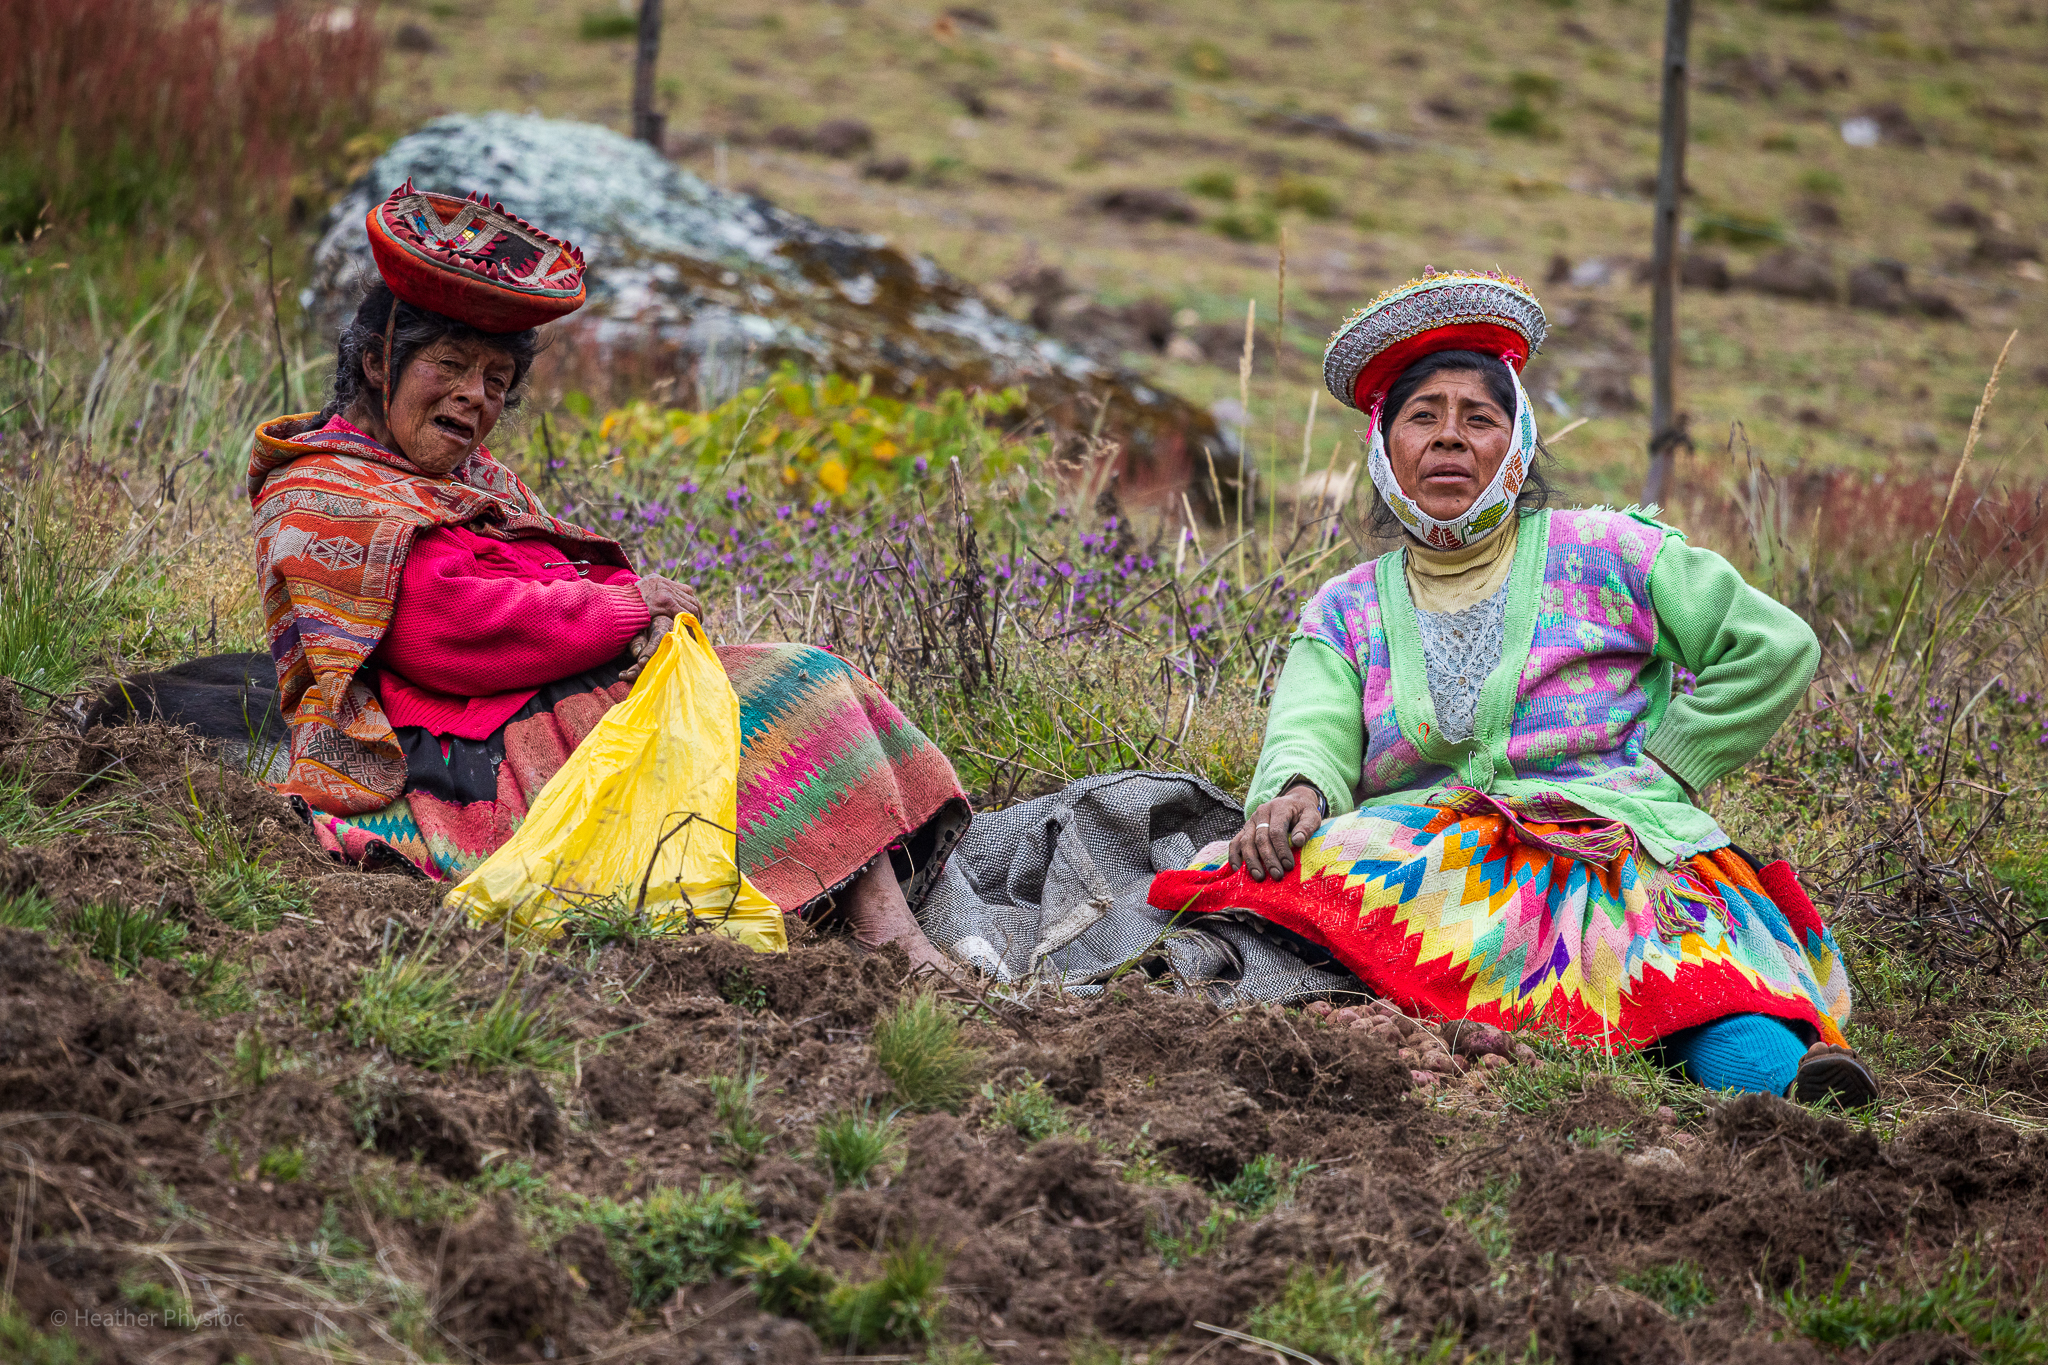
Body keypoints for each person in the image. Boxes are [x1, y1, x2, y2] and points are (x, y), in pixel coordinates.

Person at [1150, 268, 1874, 1106]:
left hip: (1615, 854)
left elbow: (1775, 643)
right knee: (1259, 875)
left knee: (1696, 978)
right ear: (1386, 449)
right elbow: (1311, 726)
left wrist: (1671, 765)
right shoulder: (1347, 607)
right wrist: (1297, 789)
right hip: (1446, 872)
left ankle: (1791, 1089)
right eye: (1423, 417)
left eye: (1478, 418)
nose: (1449, 439)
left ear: (1518, 443)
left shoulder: (1610, 552)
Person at [247, 181, 966, 970]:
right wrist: (627, 609)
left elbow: (546, 580)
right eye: (449, 365)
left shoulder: (469, 479)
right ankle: (891, 938)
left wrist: (633, 622)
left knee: (805, 688)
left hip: (531, 711)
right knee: (798, 692)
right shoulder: (325, 490)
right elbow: (444, 627)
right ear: (380, 361)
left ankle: (883, 922)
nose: (472, 398)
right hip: (460, 762)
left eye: (494, 379)